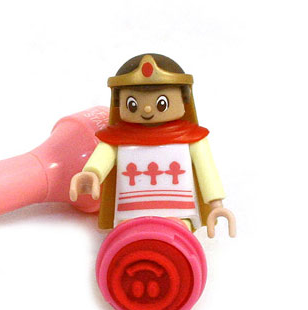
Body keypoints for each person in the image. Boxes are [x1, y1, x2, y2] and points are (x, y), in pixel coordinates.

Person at [70, 53, 235, 238]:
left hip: (178, 210)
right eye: (133, 104)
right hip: (131, 211)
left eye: (161, 103)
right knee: (128, 232)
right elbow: (104, 156)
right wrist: (92, 173)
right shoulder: (117, 138)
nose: (147, 109)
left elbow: (206, 170)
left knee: (178, 230)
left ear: (184, 98)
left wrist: (216, 205)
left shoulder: (192, 138)